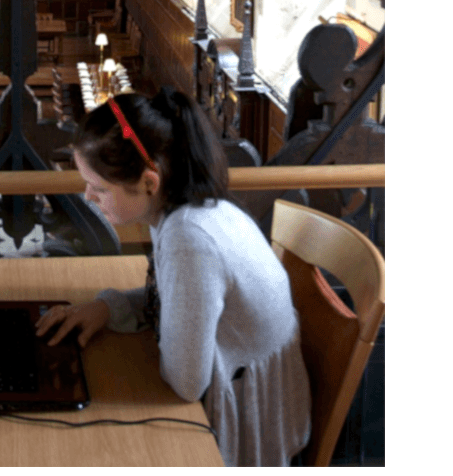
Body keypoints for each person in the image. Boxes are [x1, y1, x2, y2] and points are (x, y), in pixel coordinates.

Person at [35, 88, 311, 467]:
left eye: (99, 188)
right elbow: (176, 299)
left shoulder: (190, 237)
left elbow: (185, 383)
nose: (87, 197)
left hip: (245, 421)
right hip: (245, 386)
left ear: (150, 182)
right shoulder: (187, 209)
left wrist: (148, 326)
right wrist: (108, 308)